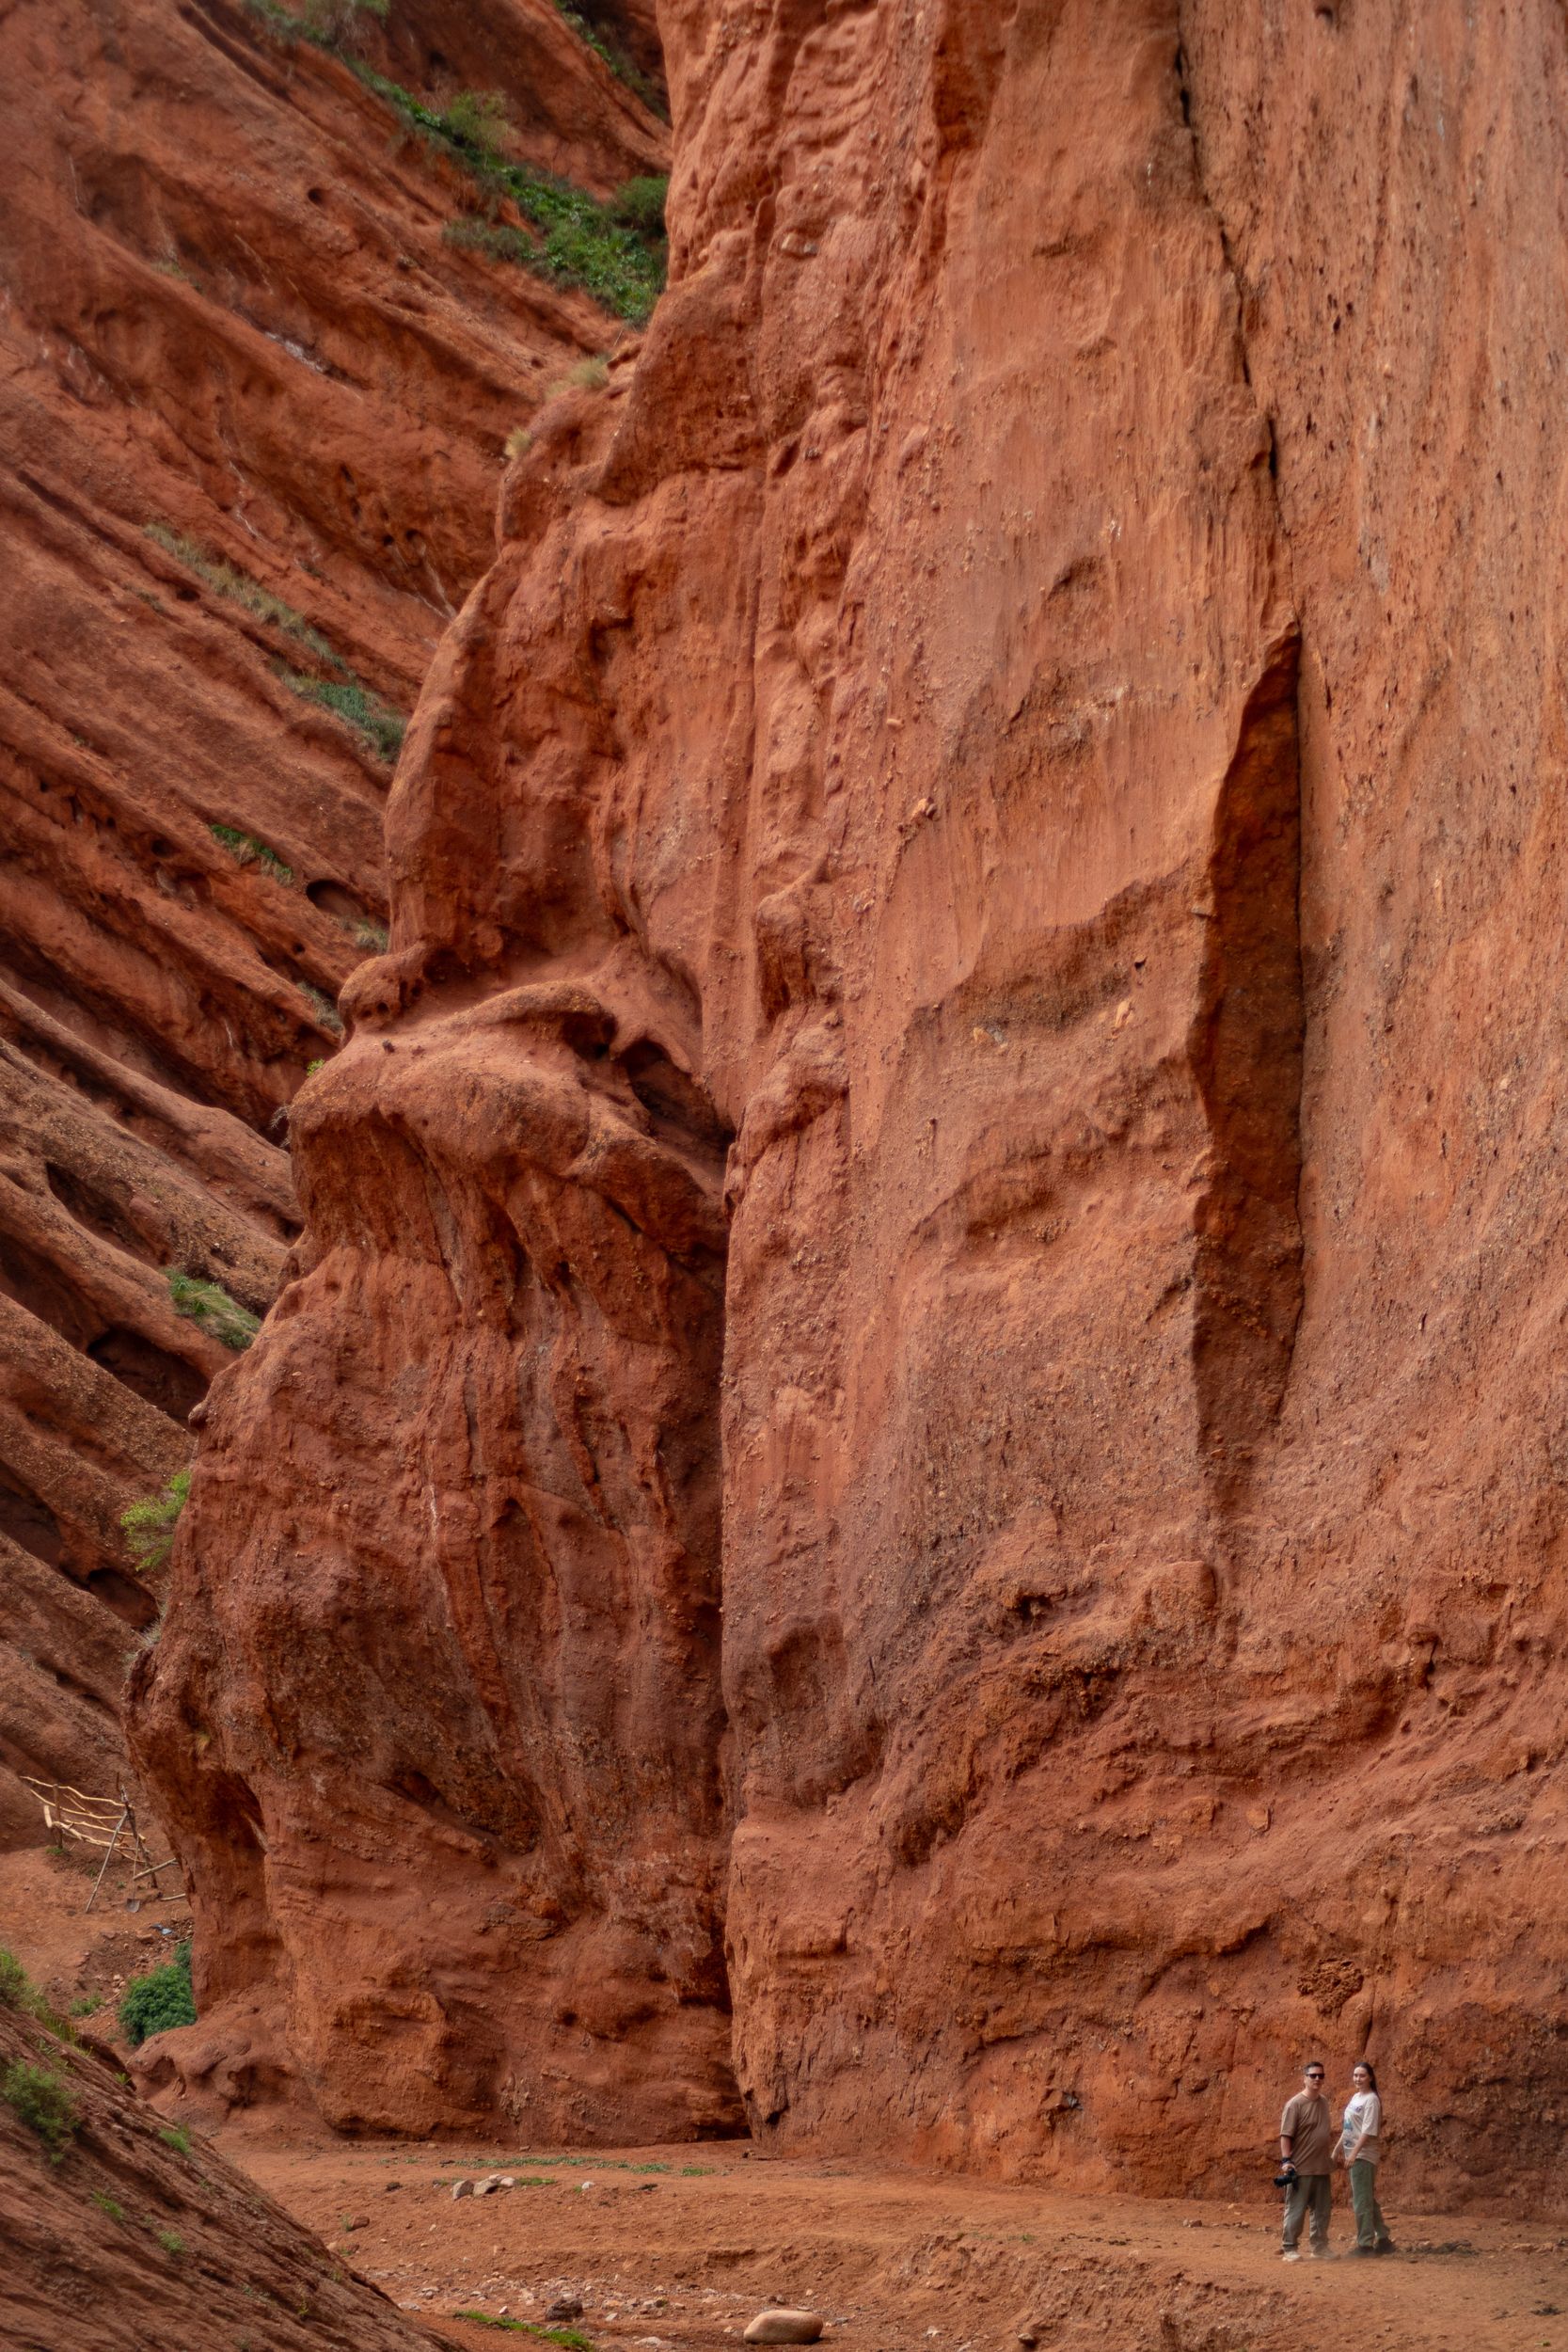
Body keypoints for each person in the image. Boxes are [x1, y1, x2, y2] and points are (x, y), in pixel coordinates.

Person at [1333, 2059, 1394, 2254]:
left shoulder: (1371, 2100)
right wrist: (1337, 2149)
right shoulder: (1356, 2097)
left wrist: (1353, 2154)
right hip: (1354, 2153)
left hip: (1364, 2156)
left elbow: (1367, 2131)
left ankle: (1365, 2244)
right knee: (1367, 2198)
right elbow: (1348, 2127)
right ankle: (1383, 2239)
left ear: (1371, 2078)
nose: (1358, 2079)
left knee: (1361, 2200)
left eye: (1362, 2075)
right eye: (1355, 2075)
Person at [1278, 2059, 1335, 2260]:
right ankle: (1290, 2248)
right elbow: (1286, 2135)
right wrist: (1286, 2161)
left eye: (1321, 2075)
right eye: (1313, 2075)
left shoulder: (1324, 2102)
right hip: (1301, 2167)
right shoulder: (1295, 2105)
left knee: (1322, 2211)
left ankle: (1319, 2247)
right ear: (1305, 2078)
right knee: (1296, 2209)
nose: (1317, 2079)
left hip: (1322, 2167)